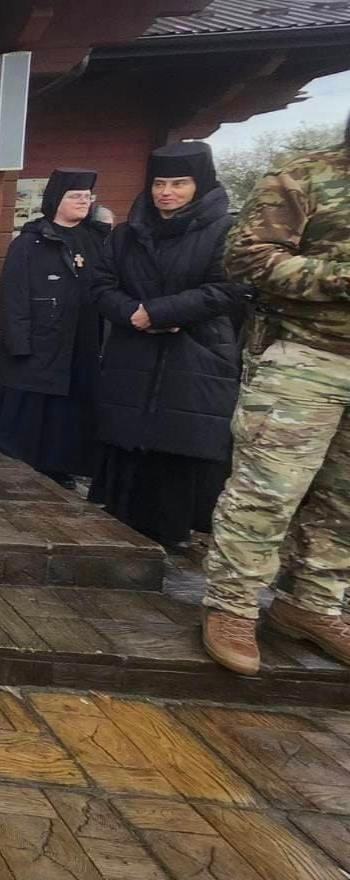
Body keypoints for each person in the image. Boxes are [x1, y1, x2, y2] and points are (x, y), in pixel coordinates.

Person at [200, 122, 350, 675]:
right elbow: (245, 257)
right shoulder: (306, 176)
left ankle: (312, 604)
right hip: (306, 356)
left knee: (345, 500)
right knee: (268, 488)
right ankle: (233, 604)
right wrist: (338, 278)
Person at [89, 141, 246, 554]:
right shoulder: (125, 235)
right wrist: (131, 314)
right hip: (134, 349)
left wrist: (161, 311)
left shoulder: (225, 231)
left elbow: (230, 288)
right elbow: (101, 286)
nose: (167, 192)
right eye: (159, 183)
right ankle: (121, 529)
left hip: (196, 351)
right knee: (128, 440)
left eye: (179, 183)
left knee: (180, 442)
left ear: (200, 184)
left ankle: (173, 532)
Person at [0, 170, 104, 489]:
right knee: (32, 402)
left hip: (80, 336)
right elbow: (14, 296)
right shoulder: (30, 242)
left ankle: (60, 463)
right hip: (40, 335)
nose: (83, 202)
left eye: (86, 196)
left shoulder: (94, 240)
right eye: (75, 196)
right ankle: (23, 462)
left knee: (68, 404)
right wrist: (18, 341)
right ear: (56, 200)